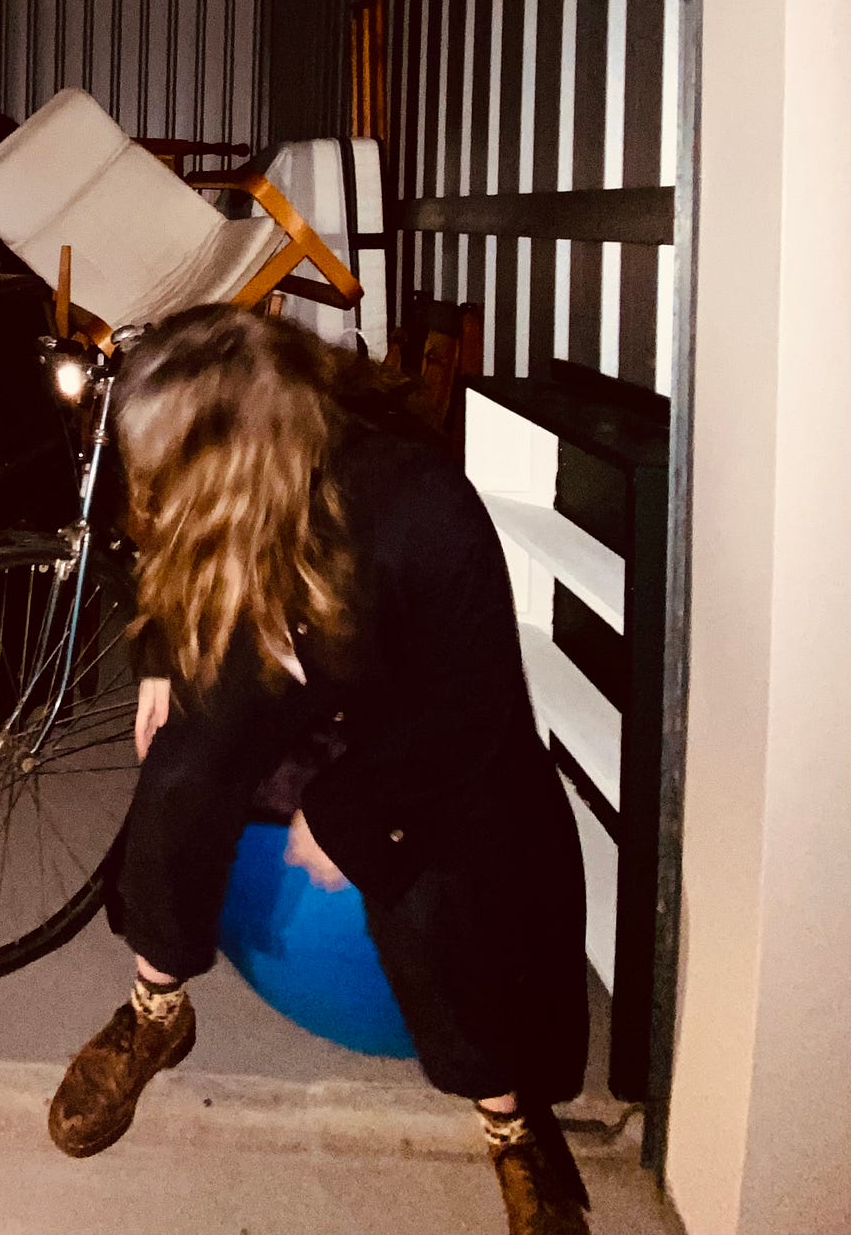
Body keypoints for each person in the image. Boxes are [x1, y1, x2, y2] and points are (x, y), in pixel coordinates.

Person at [47, 305, 592, 1235]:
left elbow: (472, 711)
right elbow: (167, 538)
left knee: (422, 879)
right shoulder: (226, 486)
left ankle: (511, 1120)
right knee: (182, 765)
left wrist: (348, 812)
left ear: (245, 453)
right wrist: (162, 650)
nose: (158, 490)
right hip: (286, 644)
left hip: (407, 701)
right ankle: (156, 1006)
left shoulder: (421, 506)